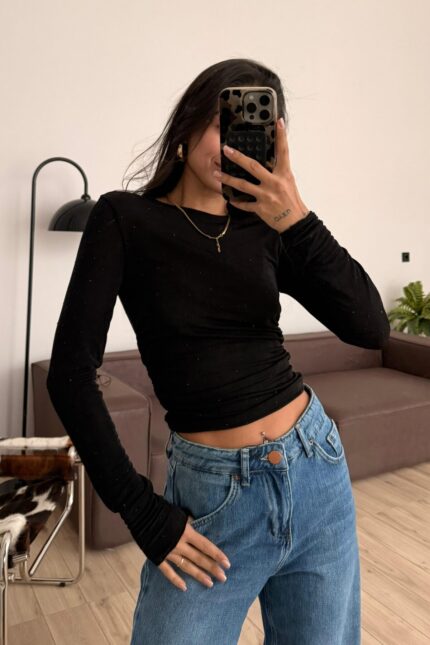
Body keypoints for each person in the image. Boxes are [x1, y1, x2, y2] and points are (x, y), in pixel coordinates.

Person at [47, 58, 390, 645]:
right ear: (187, 127)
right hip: (211, 500)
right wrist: (141, 511)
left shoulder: (267, 227)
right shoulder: (125, 219)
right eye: (222, 124)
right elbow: (71, 374)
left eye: (254, 131)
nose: (233, 145)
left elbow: (370, 326)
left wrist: (296, 217)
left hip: (315, 471)